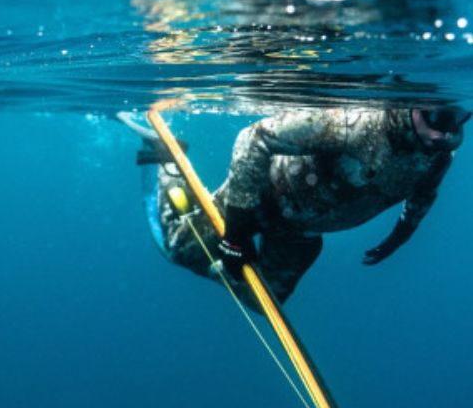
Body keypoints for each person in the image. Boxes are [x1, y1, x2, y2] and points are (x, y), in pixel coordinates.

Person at [123, 105, 467, 307]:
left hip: (301, 232)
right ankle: (164, 158)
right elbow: (254, 138)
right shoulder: (356, 125)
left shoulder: (438, 156)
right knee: (176, 247)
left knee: (264, 302)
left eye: (458, 120)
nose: (443, 135)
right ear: (413, 104)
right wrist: (237, 235)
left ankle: (224, 267)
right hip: (258, 199)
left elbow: (424, 194)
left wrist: (400, 236)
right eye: (436, 118)